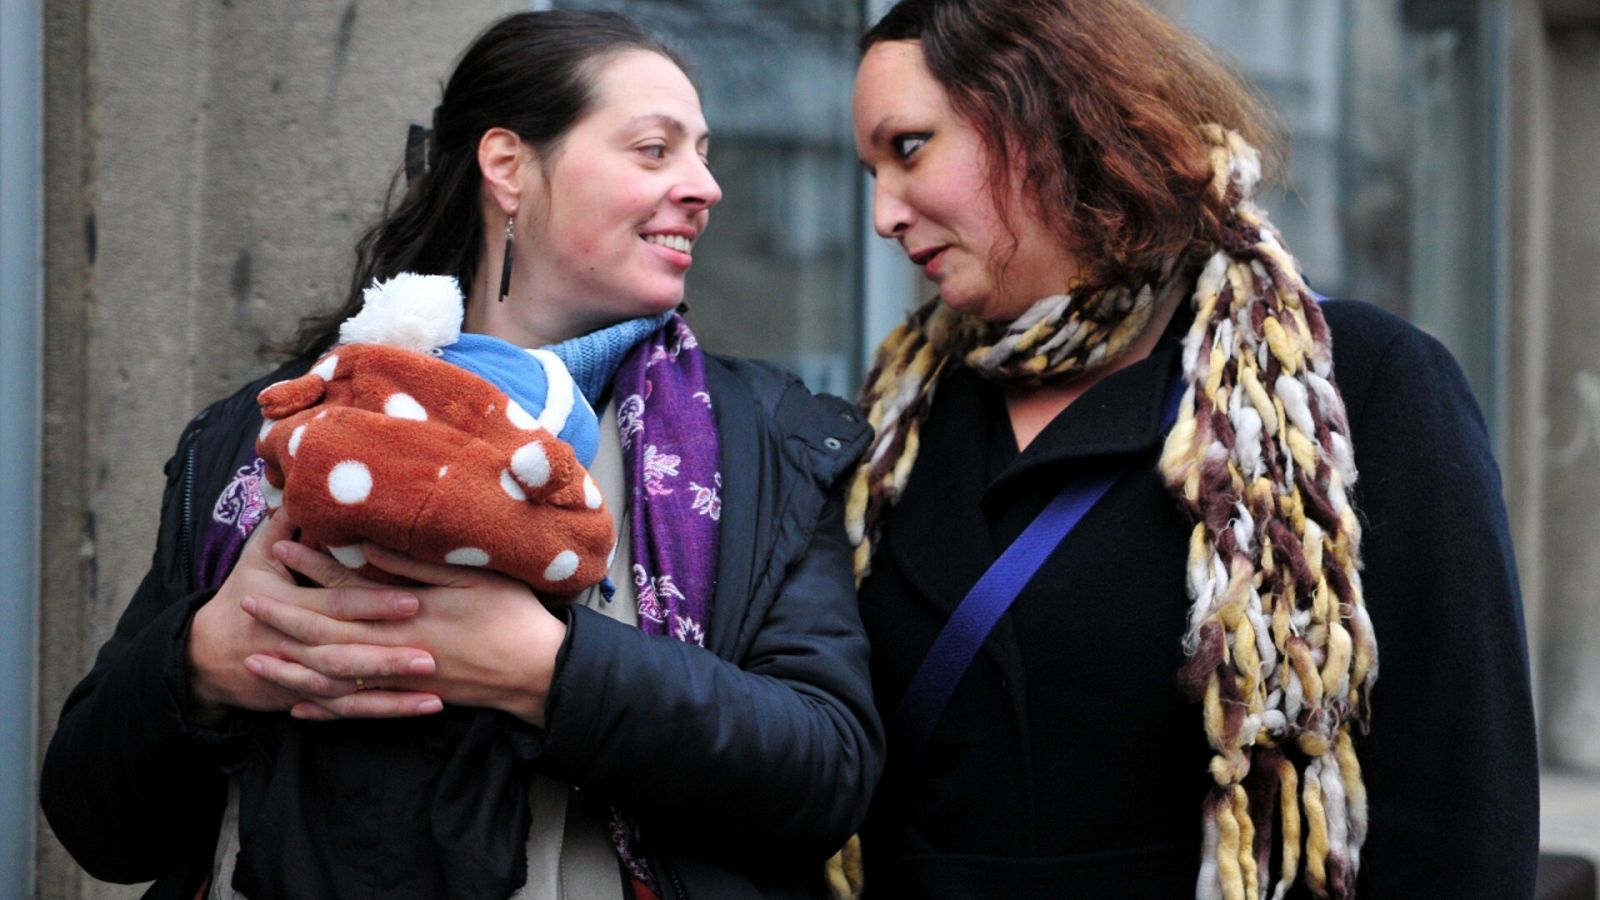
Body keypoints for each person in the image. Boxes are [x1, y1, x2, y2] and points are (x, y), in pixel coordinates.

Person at [41, 11, 881, 900]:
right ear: (508, 167)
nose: (705, 185)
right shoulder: (269, 435)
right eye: (654, 149)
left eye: (702, 152)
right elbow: (95, 821)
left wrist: (550, 672)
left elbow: (825, 774)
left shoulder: (762, 441)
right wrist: (205, 659)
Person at [846, 1, 1537, 898]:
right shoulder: (901, 422)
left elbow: (1458, 810)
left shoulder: (1353, 388)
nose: (882, 215)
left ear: (1047, 115)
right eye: (867, 169)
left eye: (908, 148)